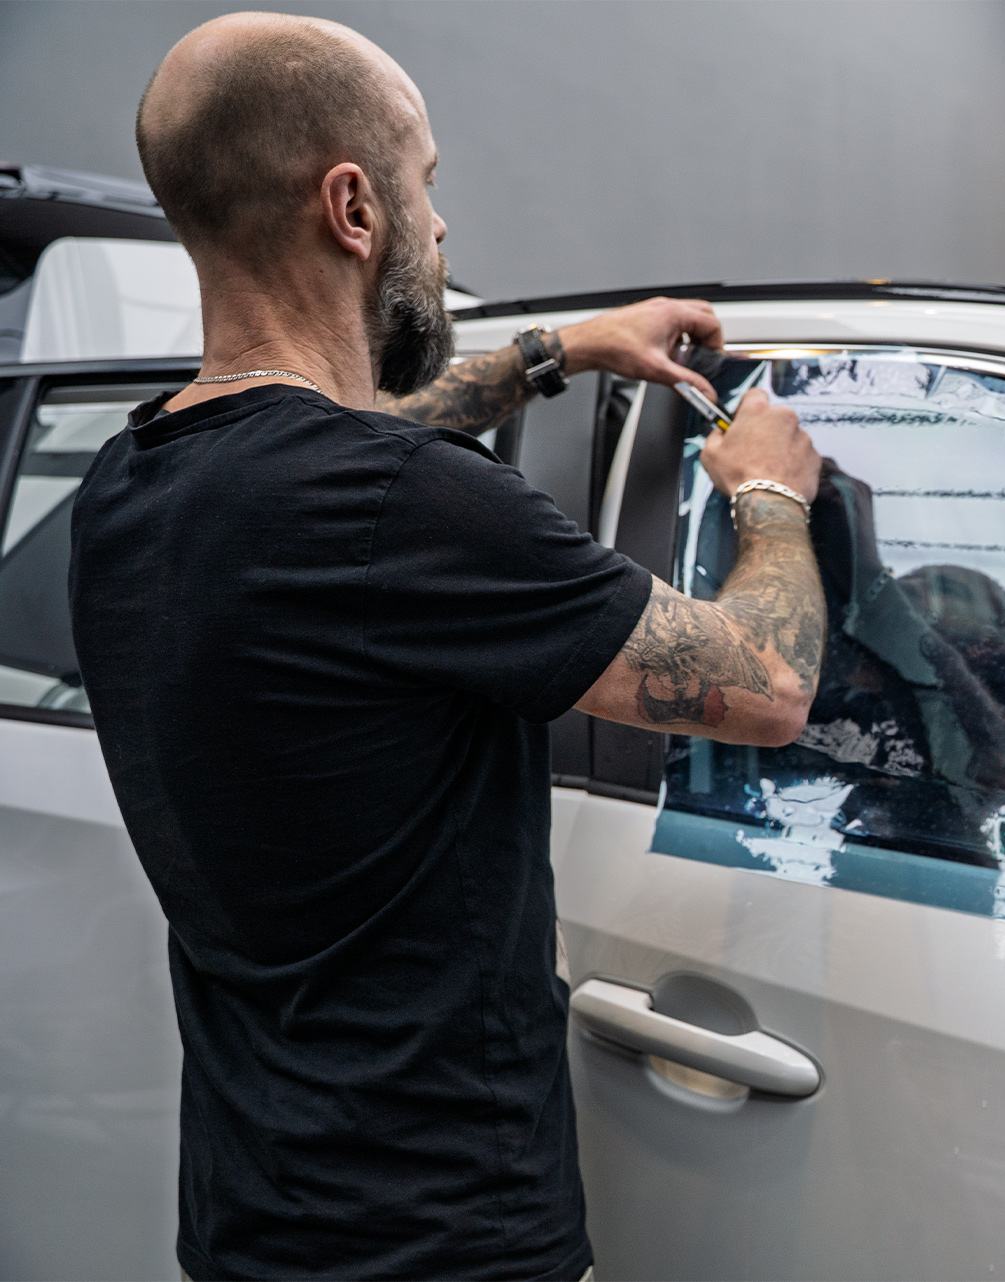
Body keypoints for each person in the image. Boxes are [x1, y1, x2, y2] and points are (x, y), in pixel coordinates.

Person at [66, 12, 825, 1281]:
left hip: (250, 1224)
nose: (441, 222)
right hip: (443, 1239)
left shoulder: (130, 483)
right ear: (353, 206)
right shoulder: (397, 503)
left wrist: (557, 352)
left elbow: (343, 444)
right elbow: (771, 687)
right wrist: (771, 495)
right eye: (426, 182)